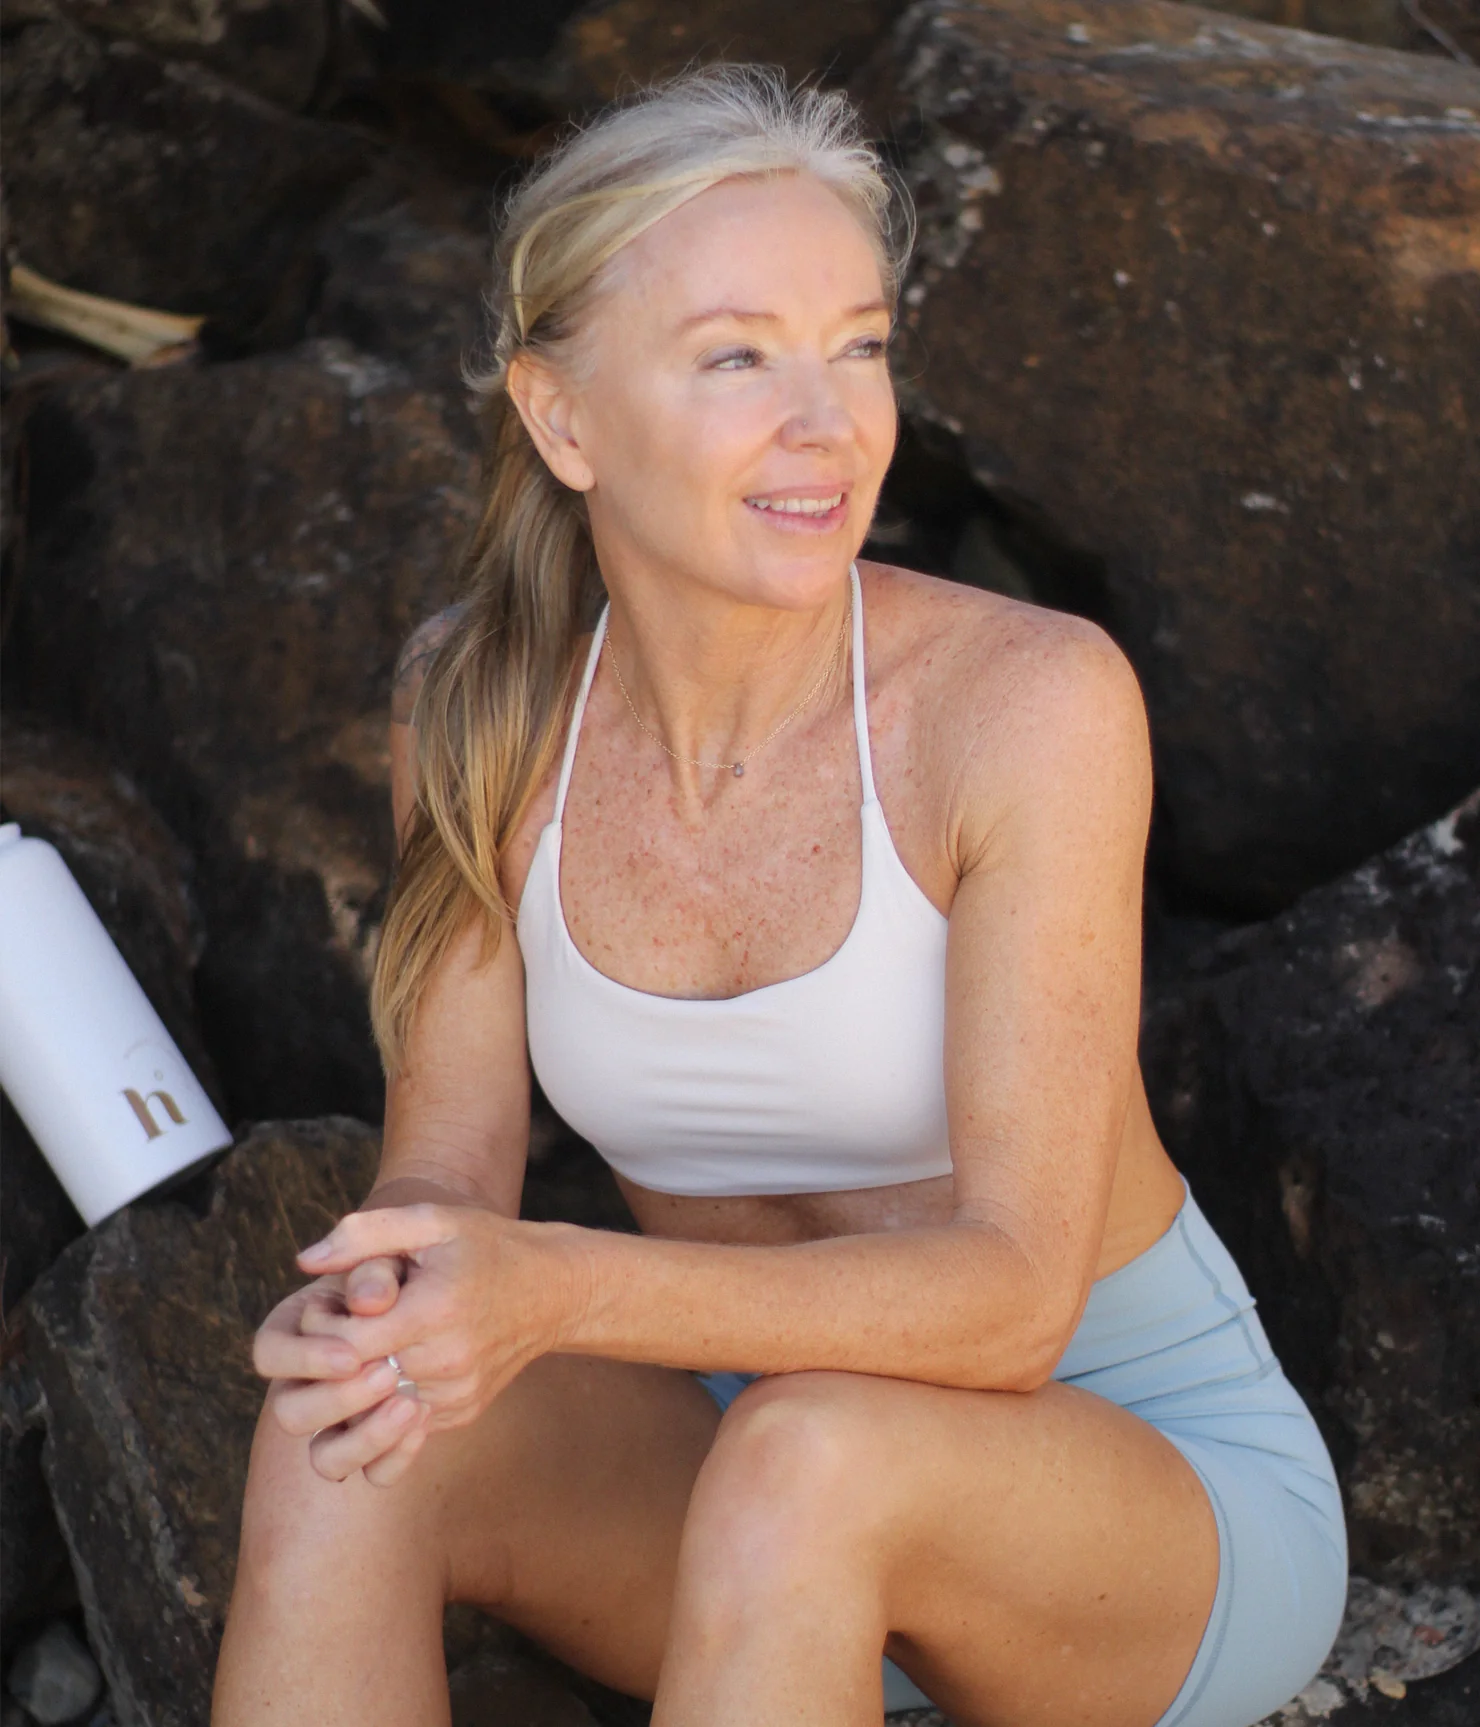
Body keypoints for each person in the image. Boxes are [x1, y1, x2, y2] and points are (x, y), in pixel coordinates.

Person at [214, 69, 1347, 1727]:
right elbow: (445, 1169)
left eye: (859, 346)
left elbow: (1017, 1296)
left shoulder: (1024, 704)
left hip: (1126, 1507)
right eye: (739, 356)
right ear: (563, 419)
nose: (829, 422)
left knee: (807, 1454)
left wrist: (561, 1287)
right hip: (745, 1486)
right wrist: (393, 1299)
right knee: (350, 1424)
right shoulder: (475, 708)